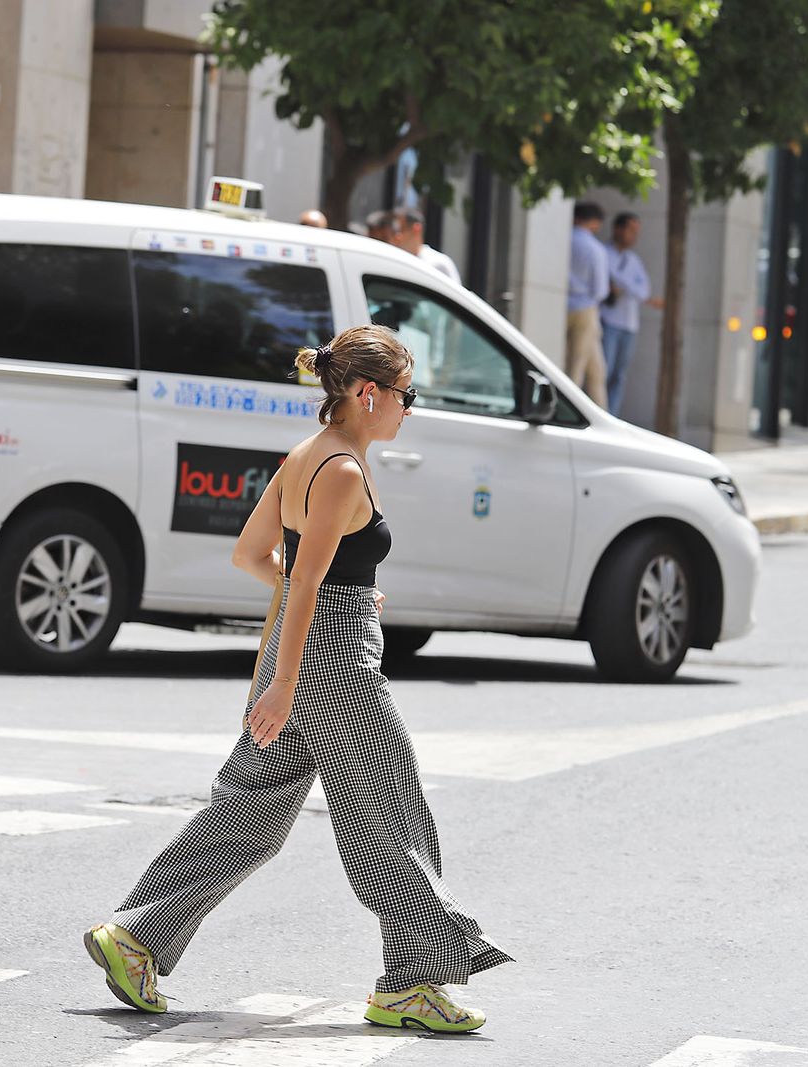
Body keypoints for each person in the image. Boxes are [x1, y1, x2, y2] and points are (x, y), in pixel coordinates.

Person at [84, 325, 510, 1034]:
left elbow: (255, 556)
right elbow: (307, 580)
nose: (410, 409)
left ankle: (137, 936)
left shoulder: (307, 455)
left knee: (248, 817)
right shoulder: (342, 470)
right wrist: (293, 673)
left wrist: (337, 606)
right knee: (391, 810)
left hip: (298, 650)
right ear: (367, 393)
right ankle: (412, 982)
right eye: (406, 395)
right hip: (333, 665)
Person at [598, 212, 664, 416]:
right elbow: (633, 289)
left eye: (637, 232)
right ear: (618, 229)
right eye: (631, 230)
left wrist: (622, 286)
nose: (634, 236)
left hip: (629, 325)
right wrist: (629, 287)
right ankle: (600, 412)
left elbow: (643, 291)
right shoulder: (603, 253)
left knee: (619, 375)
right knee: (603, 371)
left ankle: (612, 414)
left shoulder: (633, 260)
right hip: (608, 320)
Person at [567, 201, 610, 405]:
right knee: (576, 368)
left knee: (595, 369)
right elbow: (600, 289)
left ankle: (602, 411)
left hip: (561, 305)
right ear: (595, 223)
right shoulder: (595, 248)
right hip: (585, 309)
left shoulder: (563, 239)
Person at [392, 206, 462, 284]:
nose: (396, 236)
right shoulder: (395, 262)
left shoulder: (439, 264)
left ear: (416, 228)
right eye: (394, 232)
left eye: (400, 230)